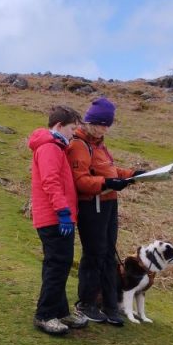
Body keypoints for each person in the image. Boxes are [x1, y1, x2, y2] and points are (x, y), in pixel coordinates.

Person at [66, 97, 144, 326]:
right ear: (92, 121)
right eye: (103, 124)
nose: (106, 129)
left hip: (109, 203)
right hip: (93, 205)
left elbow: (109, 169)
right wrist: (107, 183)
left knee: (109, 253)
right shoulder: (79, 144)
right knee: (94, 254)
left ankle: (110, 303)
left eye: (108, 124)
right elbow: (80, 181)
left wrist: (132, 174)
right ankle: (86, 303)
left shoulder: (98, 143)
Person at [29, 106, 89, 335]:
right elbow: (51, 182)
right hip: (53, 218)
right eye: (72, 128)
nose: (74, 133)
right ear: (58, 126)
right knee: (56, 265)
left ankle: (60, 311)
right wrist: (63, 212)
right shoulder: (49, 148)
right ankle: (44, 315)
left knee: (60, 264)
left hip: (56, 217)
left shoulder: (56, 147)